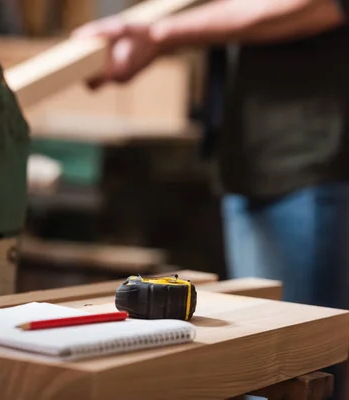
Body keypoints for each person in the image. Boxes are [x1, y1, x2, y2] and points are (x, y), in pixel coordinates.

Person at [73, 0, 349, 398]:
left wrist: (160, 34)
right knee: (266, 369)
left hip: (309, 156)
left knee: (300, 366)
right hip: (254, 154)